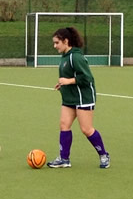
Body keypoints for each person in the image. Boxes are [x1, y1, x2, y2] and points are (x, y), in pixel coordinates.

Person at [46, 27, 110, 169]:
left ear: (66, 41)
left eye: (57, 42)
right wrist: (62, 84)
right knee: (64, 125)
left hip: (83, 97)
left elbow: (87, 78)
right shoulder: (65, 57)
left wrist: (68, 81)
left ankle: (104, 155)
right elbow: (70, 75)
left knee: (86, 129)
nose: (54, 46)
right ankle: (64, 159)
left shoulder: (76, 57)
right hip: (70, 97)